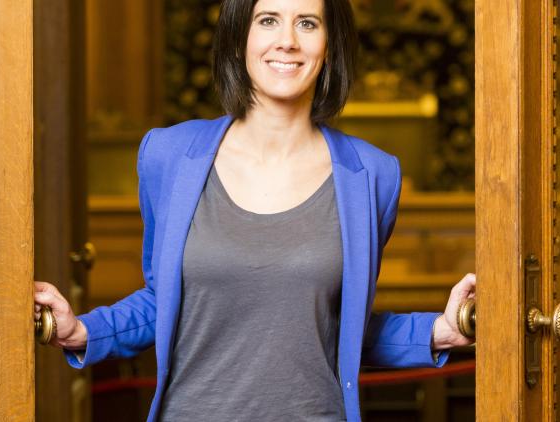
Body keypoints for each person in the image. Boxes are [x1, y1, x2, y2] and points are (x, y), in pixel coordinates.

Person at [34, 0, 476, 420]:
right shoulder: (167, 156)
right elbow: (162, 303)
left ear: (330, 44)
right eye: (267, 20)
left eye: (307, 23)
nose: (287, 40)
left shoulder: (373, 175)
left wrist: (441, 330)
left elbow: (341, 327)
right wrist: (82, 331)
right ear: (238, 37)